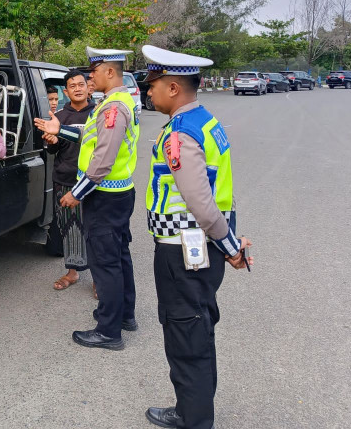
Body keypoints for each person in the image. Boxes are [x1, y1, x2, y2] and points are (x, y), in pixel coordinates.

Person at [140, 45, 254, 429]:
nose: (147, 90)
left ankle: (194, 420)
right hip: (201, 249)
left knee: (186, 334)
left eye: (152, 83)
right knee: (197, 329)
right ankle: (192, 410)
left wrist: (231, 248)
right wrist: (229, 243)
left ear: (173, 87)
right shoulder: (205, 120)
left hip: (184, 251)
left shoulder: (181, 133)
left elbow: (201, 202)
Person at [35, 47, 140, 351]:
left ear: (109, 71)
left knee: (106, 263)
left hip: (105, 195)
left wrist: (75, 193)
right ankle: (124, 315)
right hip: (117, 192)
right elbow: (91, 139)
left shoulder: (112, 107)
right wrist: (61, 131)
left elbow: (103, 158)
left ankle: (109, 331)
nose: (89, 78)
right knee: (119, 257)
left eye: (93, 72)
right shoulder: (118, 102)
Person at [42, 70, 95, 293]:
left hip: (93, 181)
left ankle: (98, 279)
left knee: (94, 229)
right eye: (72, 86)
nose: (77, 88)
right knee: (69, 227)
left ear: (88, 87)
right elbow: (53, 149)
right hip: (65, 179)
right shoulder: (60, 116)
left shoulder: (98, 114)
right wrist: (52, 140)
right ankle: (73, 273)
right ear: (66, 91)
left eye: (80, 84)